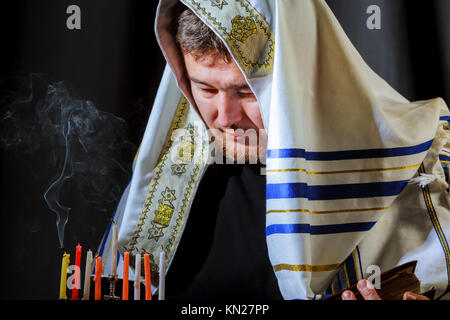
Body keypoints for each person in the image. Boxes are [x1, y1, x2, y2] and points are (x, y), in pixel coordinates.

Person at [98, 0, 450, 300]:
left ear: (300, 77)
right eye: (205, 89)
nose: (224, 116)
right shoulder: (159, 193)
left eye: (248, 92)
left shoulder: (423, 170)